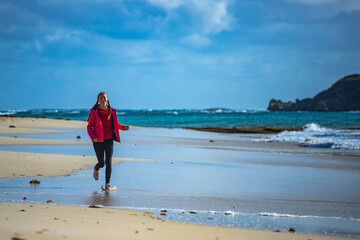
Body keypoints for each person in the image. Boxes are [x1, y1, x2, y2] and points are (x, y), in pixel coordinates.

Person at [87, 92, 129, 190]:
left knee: (109, 162)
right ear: (98, 100)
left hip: (109, 139)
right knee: (102, 163)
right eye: (101, 98)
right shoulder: (94, 112)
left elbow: (116, 124)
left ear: (107, 99)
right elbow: (89, 127)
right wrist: (93, 137)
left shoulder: (112, 111)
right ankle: (96, 168)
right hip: (98, 140)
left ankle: (107, 184)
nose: (103, 99)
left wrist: (123, 128)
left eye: (104, 97)